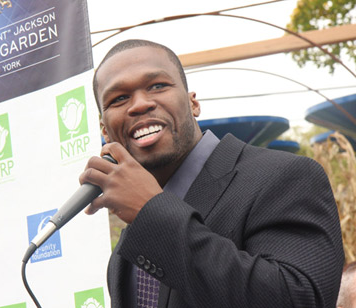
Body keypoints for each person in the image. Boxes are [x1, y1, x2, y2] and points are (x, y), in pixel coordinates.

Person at [80, 39, 344, 308]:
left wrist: (152, 210)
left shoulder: (286, 176)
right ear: (105, 129)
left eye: (158, 86)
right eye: (119, 98)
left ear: (193, 103)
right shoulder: (127, 250)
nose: (139, 104)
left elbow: (298, 300)